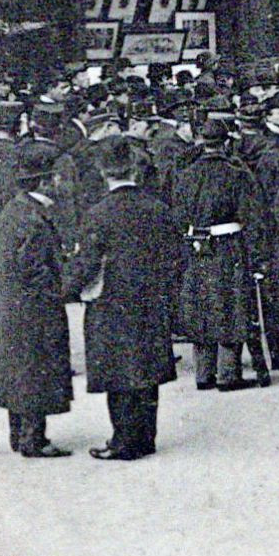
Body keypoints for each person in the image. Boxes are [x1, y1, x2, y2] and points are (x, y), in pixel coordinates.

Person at [61, 136, 186, 459]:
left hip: (111, 301)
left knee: (118, 372)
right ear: (134, 168)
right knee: (146, 368)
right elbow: (176, 255)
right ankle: (146, 437)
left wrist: (67, 289)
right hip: (150, 298)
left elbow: (86, 262)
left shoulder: (98, 213)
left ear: (104, 172)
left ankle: (123, 440)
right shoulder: (157, 208)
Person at [173, 118, 269, 392]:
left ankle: (204, 373)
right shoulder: (236, 173)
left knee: (202, 305)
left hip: (197, 244)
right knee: (231, 304)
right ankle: (229, 373)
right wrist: (257, 256)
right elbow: (252, 217)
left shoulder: (186, 174)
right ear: (227, 143)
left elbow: (178, 215)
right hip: (229, 245)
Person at [0, 141, 73, 457]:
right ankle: (33, 439)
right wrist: (61, 288)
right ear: (43, 181)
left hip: (13, 305)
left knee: (21, 370)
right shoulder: (34, 219)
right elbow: (33, 268)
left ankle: (20, 434)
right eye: (55, 177)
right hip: (34, 308)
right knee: (36, 370)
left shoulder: (16, 209)